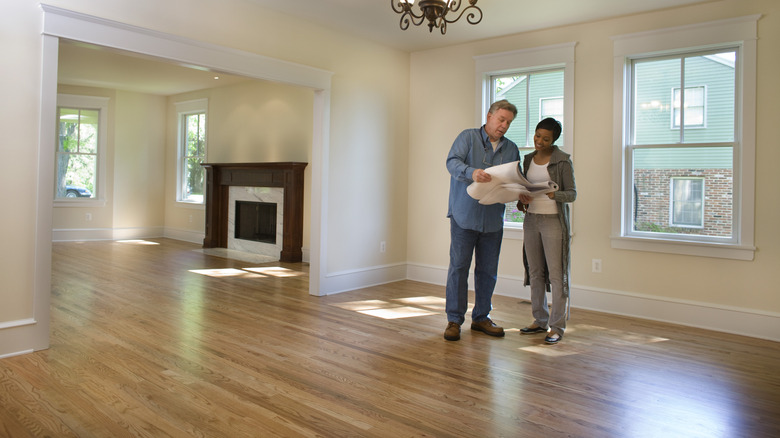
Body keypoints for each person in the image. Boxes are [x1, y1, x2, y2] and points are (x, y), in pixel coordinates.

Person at [444, 99, 520, 341]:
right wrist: (471, 172)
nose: (504, 125)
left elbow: (515, 179)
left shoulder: (511, 149)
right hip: (463, 217)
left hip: (492, 220)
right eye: (501, 119)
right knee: (458, 268)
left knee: (488, 272)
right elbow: (452, 162)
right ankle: (454, 320)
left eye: (508, 122)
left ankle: (481, 318)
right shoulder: (467, 138)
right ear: (489, 116)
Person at [517, 117, 576, 345]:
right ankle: (539, 320)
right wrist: (522, 200)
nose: (539, 141)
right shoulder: (528, 159)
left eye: (545, 138)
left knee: (557, 274)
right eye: (537, 135)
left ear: (554, 140)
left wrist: (555, 195)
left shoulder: (562, 161)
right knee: (535, 272)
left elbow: (572, 194)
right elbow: (524, 188)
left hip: (553, 222)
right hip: (531, 219)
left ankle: (557, 326)